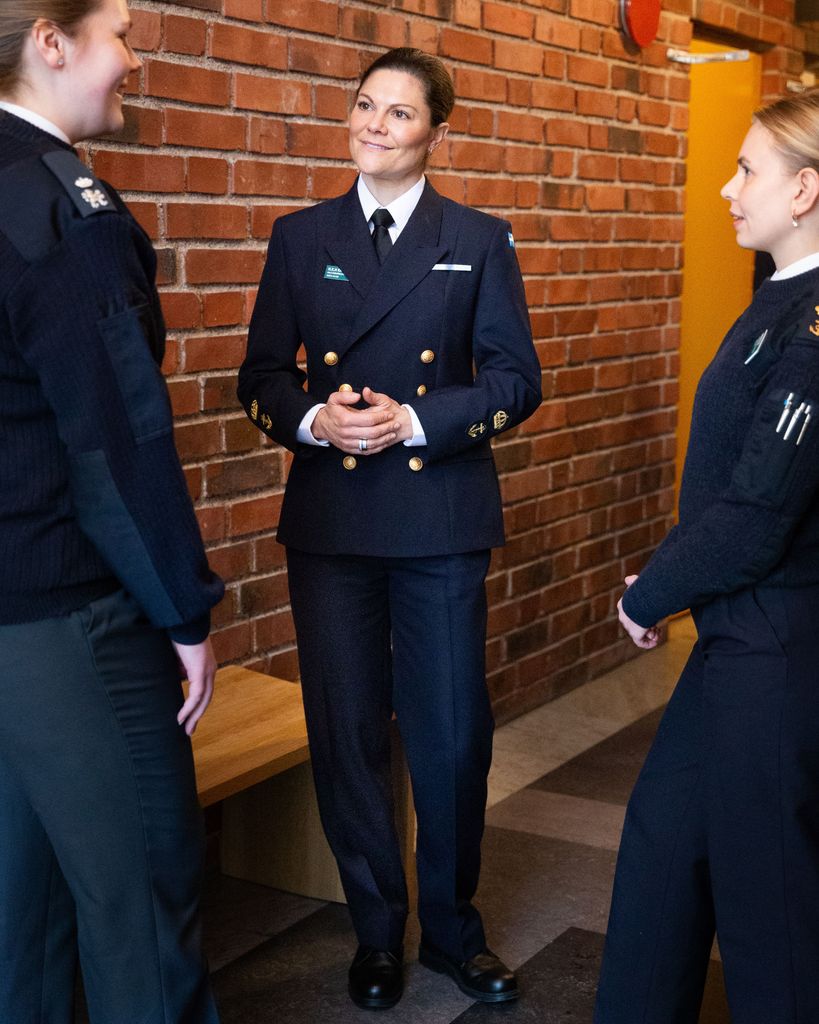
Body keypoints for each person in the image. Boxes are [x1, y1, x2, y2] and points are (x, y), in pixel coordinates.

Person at [238, 47, 541, 1010]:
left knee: (452, 734)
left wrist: (415, 421)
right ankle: (376, 932)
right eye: (364, 106)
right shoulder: (299, 236)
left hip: (438, 515)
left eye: (398, 114)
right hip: (332, 521)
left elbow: (514, 380)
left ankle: (453, 931)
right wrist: (313, 419)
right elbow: (260, 377)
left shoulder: (478, 239)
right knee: (348, 731)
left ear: (436, 134)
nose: (373, 125)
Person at [0, 0, 224, 1020]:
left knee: (25, 914)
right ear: (49, 41)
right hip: (75, 614)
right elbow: (118, 450)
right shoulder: (60, 216)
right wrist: (184, 614)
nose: (134, 60)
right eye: (120, 36)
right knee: (142, 898)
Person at [595, 89, 819, 1023]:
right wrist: (669, 575)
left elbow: (759, 511)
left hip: (773, 652)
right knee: (661, 853)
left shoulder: (812, 327)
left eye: (746, 171)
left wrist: (654, 592)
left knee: (769, 919)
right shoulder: (777, 298)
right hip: (731, 638)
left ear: (804, 189)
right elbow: (729, 486)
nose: (726, 188)